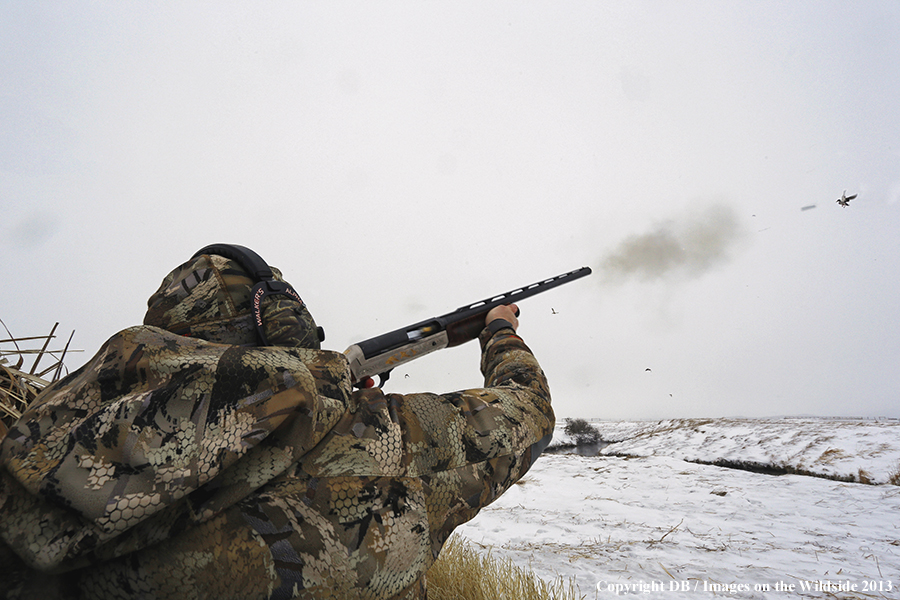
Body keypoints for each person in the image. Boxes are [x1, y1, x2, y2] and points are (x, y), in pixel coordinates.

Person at [0, 245, 554, 599]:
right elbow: (527, 414)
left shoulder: (44, 432)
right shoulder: (360, 436)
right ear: (278, 316)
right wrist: (499, 331)